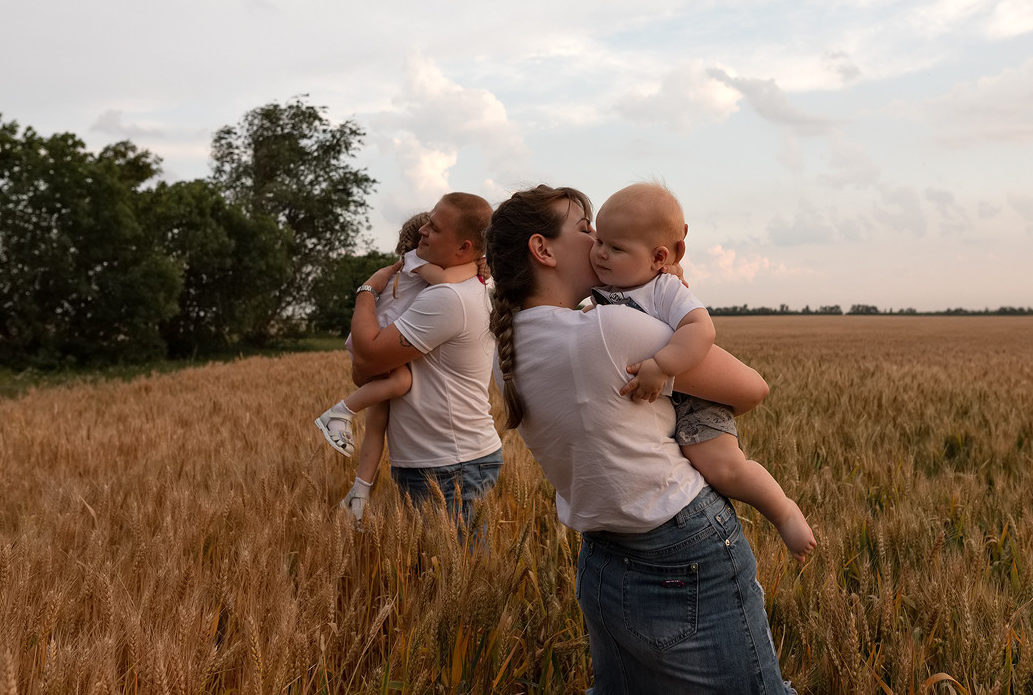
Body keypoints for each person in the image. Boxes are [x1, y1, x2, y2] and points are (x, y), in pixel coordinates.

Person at [485, 184, 795, 693]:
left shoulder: (507, 348)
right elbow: (750, 388)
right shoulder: (609, 329)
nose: (599, 241)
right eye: (586, 230)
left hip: (603, 555)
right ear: (542, 251)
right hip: (683, 545)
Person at [589, 182, 816, 561]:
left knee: (724, 470)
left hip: (695, 402)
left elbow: (701, 330)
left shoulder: (664, 289)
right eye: (598, 241)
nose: (600, 254)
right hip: (659, 411)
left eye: (615, 248)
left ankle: (783, 510)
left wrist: (662, 364)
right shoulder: (607, 289)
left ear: (659, 256)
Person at [347, 192, 502, 531]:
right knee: (435, 577)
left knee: (452, 578)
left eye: (435, 226)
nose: (423, 231)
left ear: (462, 248)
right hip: (436, 460)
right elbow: (365, 371)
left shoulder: (448, 298)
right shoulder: (457, 288)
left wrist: (366, 291)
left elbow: (367, 357)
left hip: (449, 464)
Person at [313, 211, 480, 518]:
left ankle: (359, 493)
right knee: (401, 382)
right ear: (420, 243)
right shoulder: (415, 262)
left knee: (378, 424)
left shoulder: (410, 266)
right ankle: (338, 412)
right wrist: (478, 261)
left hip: (379, 335)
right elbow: (447, 278)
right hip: (377, 338)